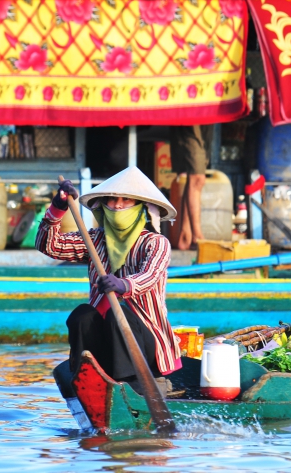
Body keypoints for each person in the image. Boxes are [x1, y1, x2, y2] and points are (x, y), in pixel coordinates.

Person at [35, 166, 181, 395]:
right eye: (112, 200)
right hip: (104, 338)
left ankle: (131, 384)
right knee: (82, 315)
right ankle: (86, 375)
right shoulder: (94, 240)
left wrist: (124, 285)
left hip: (145, 343)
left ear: (141, 207)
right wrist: (57, 209)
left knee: (118, 313)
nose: (118, 206)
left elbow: (150, 276)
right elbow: (49, 245)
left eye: (126, 201)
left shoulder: (156, 242)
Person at [169, 125, 212, 250]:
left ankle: (185, 234)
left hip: (209, 112)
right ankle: (197, 236)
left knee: (194, 176)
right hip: (192, 116)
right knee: (197, 177)